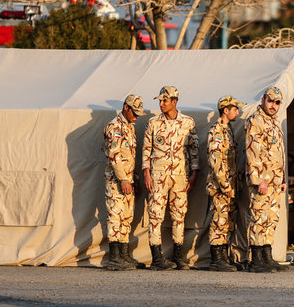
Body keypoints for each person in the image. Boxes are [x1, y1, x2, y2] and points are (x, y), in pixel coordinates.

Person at [142, 86, 199, 270]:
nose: (161, 104)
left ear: (174, 101)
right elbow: (146, 150)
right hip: (158, 176)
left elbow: (194, 150)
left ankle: (178, 256)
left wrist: (194, 174)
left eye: (165, 101)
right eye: (160, 101)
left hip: (180, 176)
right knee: (155, 215)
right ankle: (157, 258)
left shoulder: (187, 123)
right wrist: (146, 173)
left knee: (179, 215)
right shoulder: (153, 123)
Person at [245, 87, 288, 273]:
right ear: (263, 99)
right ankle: (256, 259)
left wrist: (283, 178)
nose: (273, 105)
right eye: (270, 101)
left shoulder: (274, 122)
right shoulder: (256, 121)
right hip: (262, 181)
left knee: (271, 219)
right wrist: (259, 179)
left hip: (275, 181)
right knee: (259, 218)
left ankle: (267, 256)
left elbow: (280, 153)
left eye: (277, 102)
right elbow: (252, 153)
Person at [103, 94, 146, 271]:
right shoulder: (115, 127)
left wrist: (132, 179)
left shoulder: (129, 127)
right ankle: (114, 257)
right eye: (134, 112)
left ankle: (124, 254)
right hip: (117, 181)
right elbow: (115, 156)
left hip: (128, 180)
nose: (136, 116)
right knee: (115, 215)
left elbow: (130, 156)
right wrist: (123, 179)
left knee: (126, 217)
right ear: (126, 107)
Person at [206, 95, 247, 272]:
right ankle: (217, 259)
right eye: (235, 109)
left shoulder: (228, 130)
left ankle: (224, 256)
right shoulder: (217, 131)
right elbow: (215, 161)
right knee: (219, 221)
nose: (237, 112)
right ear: (225, 110)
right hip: (221, 187)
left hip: (230, 185)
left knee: (227, 220)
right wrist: (225, 186)